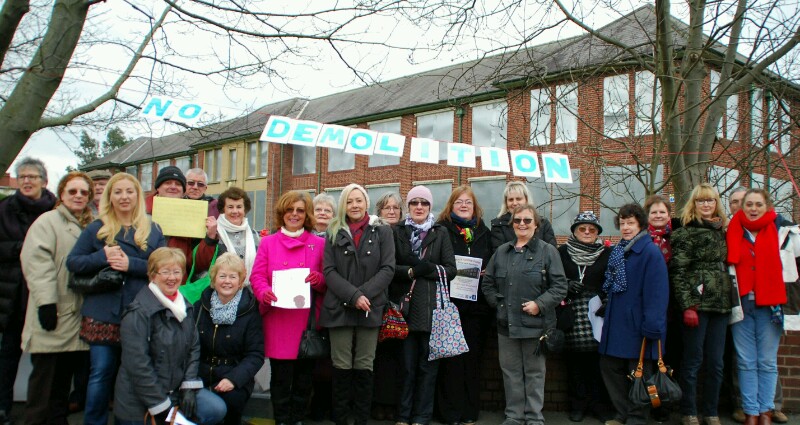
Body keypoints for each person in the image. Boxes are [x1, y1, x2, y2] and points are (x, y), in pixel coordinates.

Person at [67, 172, 166, 425]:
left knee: (135, 375)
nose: (124, 197)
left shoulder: (153, 229)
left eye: (129, 191)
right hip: (102, 312)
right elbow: (74, 262)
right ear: (110, 196)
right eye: (118, 192)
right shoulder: (96, 228)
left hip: (138, 313)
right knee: (100, 373)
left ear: (138, 196)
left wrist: (129, 264)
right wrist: (102, 257)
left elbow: (163, 268)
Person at [114, 247, 227, 425]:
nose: (172, 277)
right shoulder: (138, 313)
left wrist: (189, 386)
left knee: (216, 409)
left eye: (177, 272)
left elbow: (193, 348)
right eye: (165, 272)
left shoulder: (185, 307)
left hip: (175, 391)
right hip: (140, 401)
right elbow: (138, 366)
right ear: (152, 275)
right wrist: (161, 406)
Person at [482, 204, 567, 425]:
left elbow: (559, 287)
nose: (522, 224)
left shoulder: (548, 251)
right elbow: (488, 283)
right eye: (518, 220)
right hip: (506, 326)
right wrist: (498, 306)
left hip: (536, 326)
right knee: (510, 374)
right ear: (512, 225)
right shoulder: (502, 253)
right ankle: (514, 416)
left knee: (535, 374)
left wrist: (540, 304)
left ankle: (534, 417)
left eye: (527, 220)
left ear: (536, 225)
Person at [19, 171, 93, 424]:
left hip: (75, 318)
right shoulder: (47, 222)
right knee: (43, 389)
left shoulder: (88, 224)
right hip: (52, 313)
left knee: (61, 387)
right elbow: (37, 264)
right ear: (61, 194)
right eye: (72, 191)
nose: (78, 196)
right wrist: (46, 302)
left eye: (84, 192)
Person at [321, 183, 395, 425]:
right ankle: (341, 418)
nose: (354, 205)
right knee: (340, 365)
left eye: (359, 200)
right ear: (344, 204)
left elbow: (387, 269)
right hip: (339, 308)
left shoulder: (382, 231)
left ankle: (361, 418)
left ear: (366, 202)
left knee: (365, 363)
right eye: (350, 201)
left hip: (370, 307)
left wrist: (363, 296)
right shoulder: (333, 231)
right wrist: (353, 296)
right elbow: (329, 271)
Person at [250, 191, 326, 425]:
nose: (294, 214)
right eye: (290, 210)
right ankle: (282, 420)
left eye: (300, 210)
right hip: (278, 319)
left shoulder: (319, 244)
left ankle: (298, 420)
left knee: (304, 380)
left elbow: (328, 278)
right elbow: (257, 276)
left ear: (307, 215)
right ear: (282, 213)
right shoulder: (267, 242)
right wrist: (264, 293)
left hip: (306, 323)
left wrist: (319, 280)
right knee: (281, 379)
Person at [598, 203, 669, 425]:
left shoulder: (650, 252)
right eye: (622, 223)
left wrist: (653, 326)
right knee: (610, 367)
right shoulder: (620, 250)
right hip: (617, 323)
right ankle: (623, 413)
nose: (626, 227)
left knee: (640, 374)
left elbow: (657, 292)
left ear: (640, 224)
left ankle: (638, 417)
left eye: (630, 223)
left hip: (639, 326)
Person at [0, 157, 57, 424]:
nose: (26, 181)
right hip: (10, 294)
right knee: (8, 354)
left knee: (42, 358)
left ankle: (39, 410)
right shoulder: (4, 210)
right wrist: (24, 248)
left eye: (32, 177)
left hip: (42, 296)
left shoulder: (55, 210)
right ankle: (3, 407)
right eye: (22, 176)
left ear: (44, 182)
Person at [393, 185, 456, 425]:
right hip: (405, 310)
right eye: (414, 202)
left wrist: (430, 269)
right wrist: (409, 271)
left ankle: (421, 417)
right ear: (408, 206)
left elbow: (450, 270)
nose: (419, 207)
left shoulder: (440, 232)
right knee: (406, 369)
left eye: (424, 203)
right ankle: (403, 415)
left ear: (430, 207)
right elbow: (389, 267)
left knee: (428, 370)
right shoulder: (396, 231)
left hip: (432, 311)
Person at [669, 184, 731, 425]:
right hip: (697, 305)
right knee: (693, 360)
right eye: (701, 201)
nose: (706, 205)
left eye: (711, 200)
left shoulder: (721, 231)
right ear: (694, 204)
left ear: (716, 203)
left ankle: (711, 411)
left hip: (721, 305)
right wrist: (688, 305)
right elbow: (679, 272)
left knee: (716, 362)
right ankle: (689, 410)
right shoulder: (684, 233)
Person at [727, 187, 789, 424]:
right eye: (748, 204)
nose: (753, 209)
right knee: (745, 360)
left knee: (767, 361)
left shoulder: (780, 229)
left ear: (767, 206)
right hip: (741, 303)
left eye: (757, 204)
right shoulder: (733, 229)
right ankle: (750, 410)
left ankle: (766, 410)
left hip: (770, 304)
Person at [433, 186, 492, 425]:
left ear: (475, 206)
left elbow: (493, 259)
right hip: (450, 304)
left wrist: (489, 270)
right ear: (451, 205)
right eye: (459, 202)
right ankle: (450, 412)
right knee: (450, 360)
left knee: (473, 359)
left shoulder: (484, 232)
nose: (464, 205)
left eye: (468, 202)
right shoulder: (442, 231)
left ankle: (469, 411)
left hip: (477, 307)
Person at [195, 253, 265, 425]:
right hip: (200, 375)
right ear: (214, 279)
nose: (227, 281)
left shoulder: (250, 311)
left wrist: (233, 379)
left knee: (231, 402)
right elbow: (189, 347)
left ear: (240, 282)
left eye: (233, 277)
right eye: (222, 276)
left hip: (233, 375)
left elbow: (255, 355)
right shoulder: (199, 307)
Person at [557, 211, 611, 423]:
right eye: (582, 228)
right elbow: (555, 278)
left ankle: (598, 405)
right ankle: (577, 405)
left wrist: (606, 299)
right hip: (572, 311)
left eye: (592, 229)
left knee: (598, 363)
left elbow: (612, 278)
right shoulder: (562, 253)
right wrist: (567, 286)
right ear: (574, 231)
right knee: (575, 363)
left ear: (597, 232)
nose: (587, 232)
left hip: (597, 312)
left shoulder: (606, 253)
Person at [644, 193, 682, 424]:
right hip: (650, 307)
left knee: (671, 359)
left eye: (662, 212)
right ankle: (652, 404)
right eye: (653, 212)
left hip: (673, 307)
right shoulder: (642, 240)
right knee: (650, 359)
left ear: (669, 215)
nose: (658, 216)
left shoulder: (677, 237)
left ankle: (667, 405)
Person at [369, 191, 405, 421]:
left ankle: (392, 403)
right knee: (376, 357)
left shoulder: (406, 233)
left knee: (396, 357)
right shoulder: (372, 232)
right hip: (375, 300)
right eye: (386, 207)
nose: (391, 211)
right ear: (379, 211)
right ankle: (377, 403)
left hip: (400, 302)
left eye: (396, 208)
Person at [195, 187, 261, 283]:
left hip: (248, 293)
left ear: (245, 209)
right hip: (218, 291)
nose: (235, 211)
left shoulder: (254, 234)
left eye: (239, 207)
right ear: (223, 209)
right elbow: (200, 265)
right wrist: (210, 238)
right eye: (230, 207)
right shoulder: (213, 231)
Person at [145, 165, 198, 280]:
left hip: (177, 281)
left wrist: (210, 239)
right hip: (146, 278)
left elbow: (195, 261)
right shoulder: (141, 212)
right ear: (158, 188)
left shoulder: (193, 215)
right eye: (168, 182)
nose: (173, 187)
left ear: (183, 192)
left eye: (178, 184)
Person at [490, 181, 556, 252]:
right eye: (510, 200)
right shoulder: (498, 225)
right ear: (506, 203)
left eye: (518, 199)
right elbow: (498, 254)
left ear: (526, 200)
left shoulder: (543, 223)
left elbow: (551, 252)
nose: (514, 203)